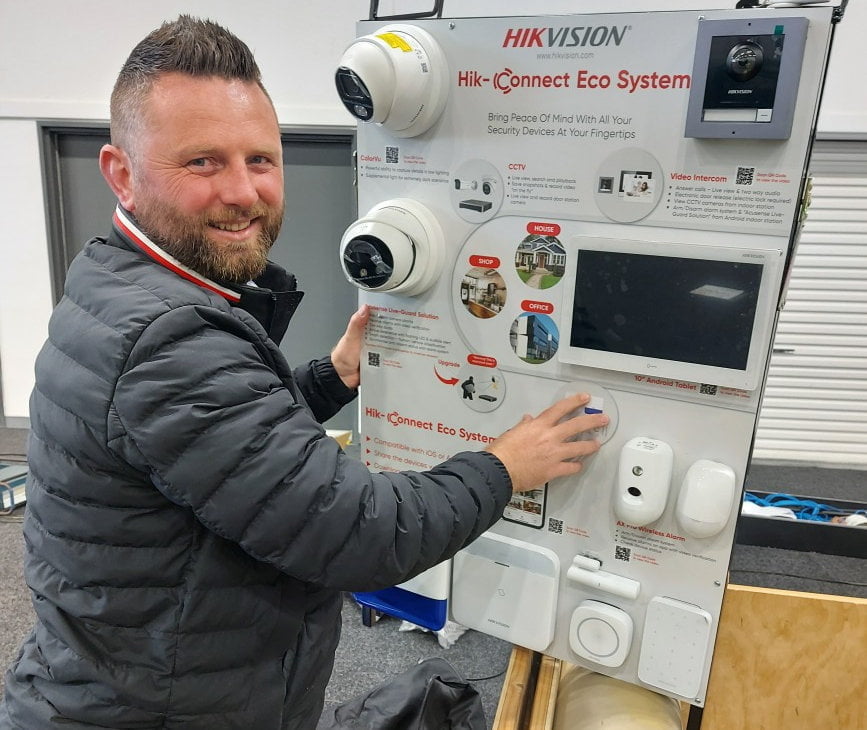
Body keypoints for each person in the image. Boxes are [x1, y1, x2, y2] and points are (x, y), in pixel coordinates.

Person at [0, 16, 608, 730]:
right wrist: (505, 466)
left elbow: (217, 448)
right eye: (202, 162)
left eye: (260, 159)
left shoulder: (117, 280)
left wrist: (327, 379)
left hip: (127, 674)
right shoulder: (171, 340)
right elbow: (360, 534)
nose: (243, 191)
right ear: (122, 174)